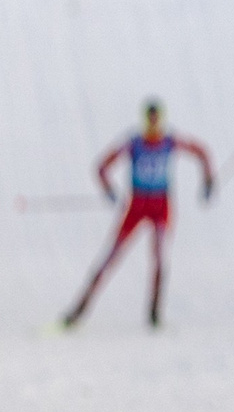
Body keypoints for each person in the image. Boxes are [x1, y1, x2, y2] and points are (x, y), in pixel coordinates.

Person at [63, 99, 216, 329]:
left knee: (160, 258)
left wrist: (208, 181)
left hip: (161, 206)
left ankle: (154, 315)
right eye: (149, 119)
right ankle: (79, 310)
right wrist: (108, 190)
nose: (153, 124)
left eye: (156, 120)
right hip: (137, 205)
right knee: (110, 257)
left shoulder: (169, 141)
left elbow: (202, 152)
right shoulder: (134, 143)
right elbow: (102, 166)